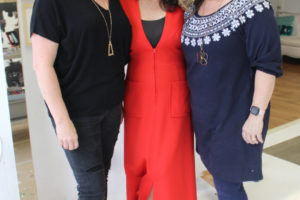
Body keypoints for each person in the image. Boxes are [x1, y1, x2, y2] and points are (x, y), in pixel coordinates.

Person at [181, 0, 283, 199]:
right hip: (204, 114)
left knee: (228, 182)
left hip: (236, 113)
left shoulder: (254, 8)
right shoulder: (191, 9)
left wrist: (256, 114)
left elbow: (267, 66)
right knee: (219, 175)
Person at [30, 0, 131, 199]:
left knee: (100, 180)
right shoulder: (50, 3)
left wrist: (118, 103)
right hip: (77, 114)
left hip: (111, 108)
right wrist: (62, 121)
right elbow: (42, 65)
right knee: (92, 189)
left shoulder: (115, 1)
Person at [120, 0, 197, 199]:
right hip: (138, 104)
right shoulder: (122, 5)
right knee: (138, 169)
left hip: (175, 104)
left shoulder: (182, 6)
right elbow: (110, 57)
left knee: (170, 173)